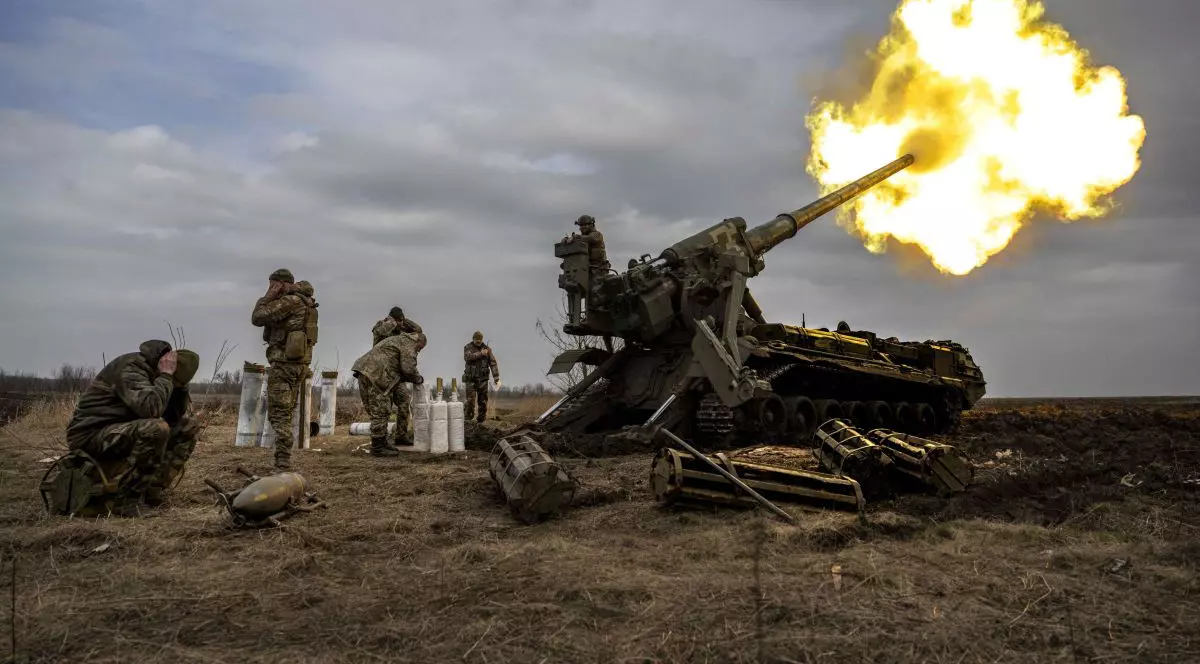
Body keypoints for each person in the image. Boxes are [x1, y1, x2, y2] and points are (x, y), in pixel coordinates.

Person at [54, 341, 201, 514]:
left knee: (187, 426)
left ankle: (150, 492)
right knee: (156, 428)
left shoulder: (157, 375)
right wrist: (167, 376)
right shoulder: (131, 368)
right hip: (89, 434)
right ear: (163, 366)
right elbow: (151, 408)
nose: (172, 386)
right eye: (174, 382)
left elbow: (173, 417)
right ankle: (126, 500)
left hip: (119, 430)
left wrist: (180, 390)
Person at [251, 268, 318, 469]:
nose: (271, 288)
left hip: (283, 365)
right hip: (299, 365)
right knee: (286, 411)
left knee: (280, 415)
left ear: (281, 283)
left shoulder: (291, 301)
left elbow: (257, 317)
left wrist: (267, 296)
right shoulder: (306, 302)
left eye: (273, 284)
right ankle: (283, 457)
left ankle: (282, 460)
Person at [352, 332, 426, 456]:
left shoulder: (399, 340)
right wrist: (418, 379)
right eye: (419, 348)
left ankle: (393, 438)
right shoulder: (409, 343)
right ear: (418, 341)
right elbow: (408, 368)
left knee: (401, 400)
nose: (418, 351)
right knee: (381, 409)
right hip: (376, 374)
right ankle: (377, 447)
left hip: (374, 372)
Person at [462, 331, 500, 423]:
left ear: (482, 339)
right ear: (473, 339)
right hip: (471, 380)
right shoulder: (468, 347)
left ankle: (481, 422)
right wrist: (481, 353)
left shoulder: (488, 349)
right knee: (470, 402)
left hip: (483, 380)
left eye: (480, 339)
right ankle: (468, 421)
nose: (478, 341)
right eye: (476, 339)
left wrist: (496, 377)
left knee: (483, 402)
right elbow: (467, 357)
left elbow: (493, 363)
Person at [575, 215, 610, 288]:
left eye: (586, 224)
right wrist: (567, 239)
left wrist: (577, 237)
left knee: (596, 291)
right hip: (587, 269)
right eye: (581, 225)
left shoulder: (597, 235)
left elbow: (591, 238)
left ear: (591, 225)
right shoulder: (582, 239)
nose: (583, 227)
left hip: (599, 269)